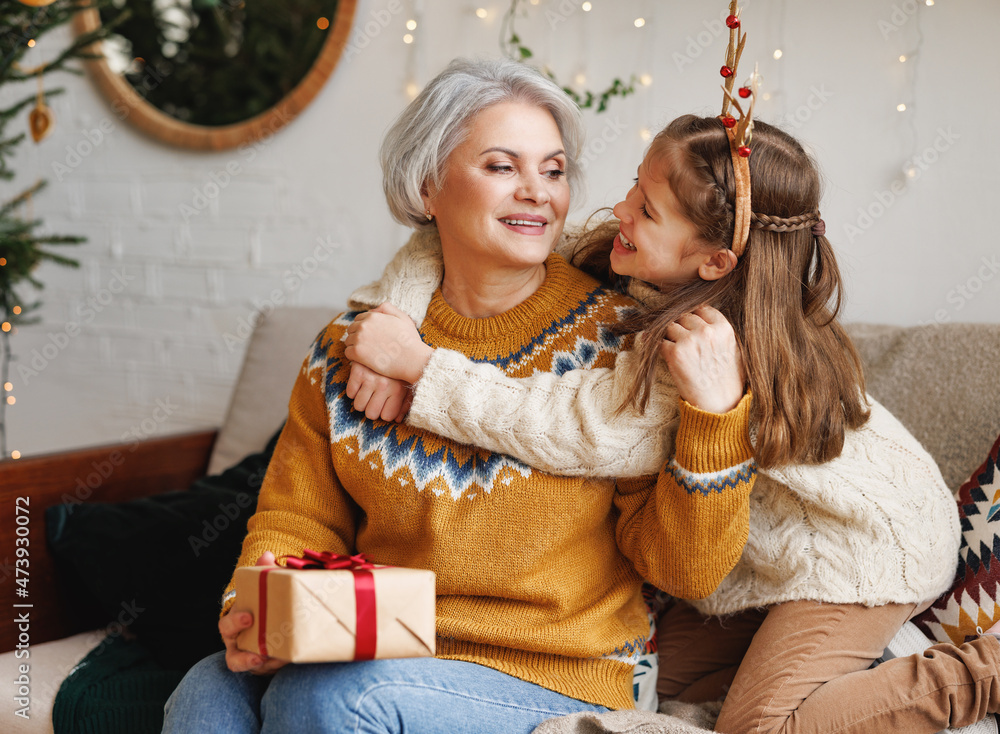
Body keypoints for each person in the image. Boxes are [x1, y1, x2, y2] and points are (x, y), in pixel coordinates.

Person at [341, 113, 1000, 734]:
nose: (622, 208)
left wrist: (423, 370)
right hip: (785, 559)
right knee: (662, 678)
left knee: (755, 726)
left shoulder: (702, 346)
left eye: (648, 210)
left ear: (713, 263)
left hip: (867, 550)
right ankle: (865, 664)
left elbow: (580, 429)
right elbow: (449, 237)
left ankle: (981, 672)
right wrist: (395, 315)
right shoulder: (632, 255)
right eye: (636, 183)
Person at [161, 59, 758, 734]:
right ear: (427, 187)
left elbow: (684, 569)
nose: (538, 192)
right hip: (382, 649)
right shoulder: (352, 348)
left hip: (559, 675)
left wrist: (715, 423)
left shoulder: (622, 347)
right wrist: (258, 606)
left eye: (554, 170)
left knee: (334, 699)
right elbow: (298, 519)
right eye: (503, 167)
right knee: (205, 689)